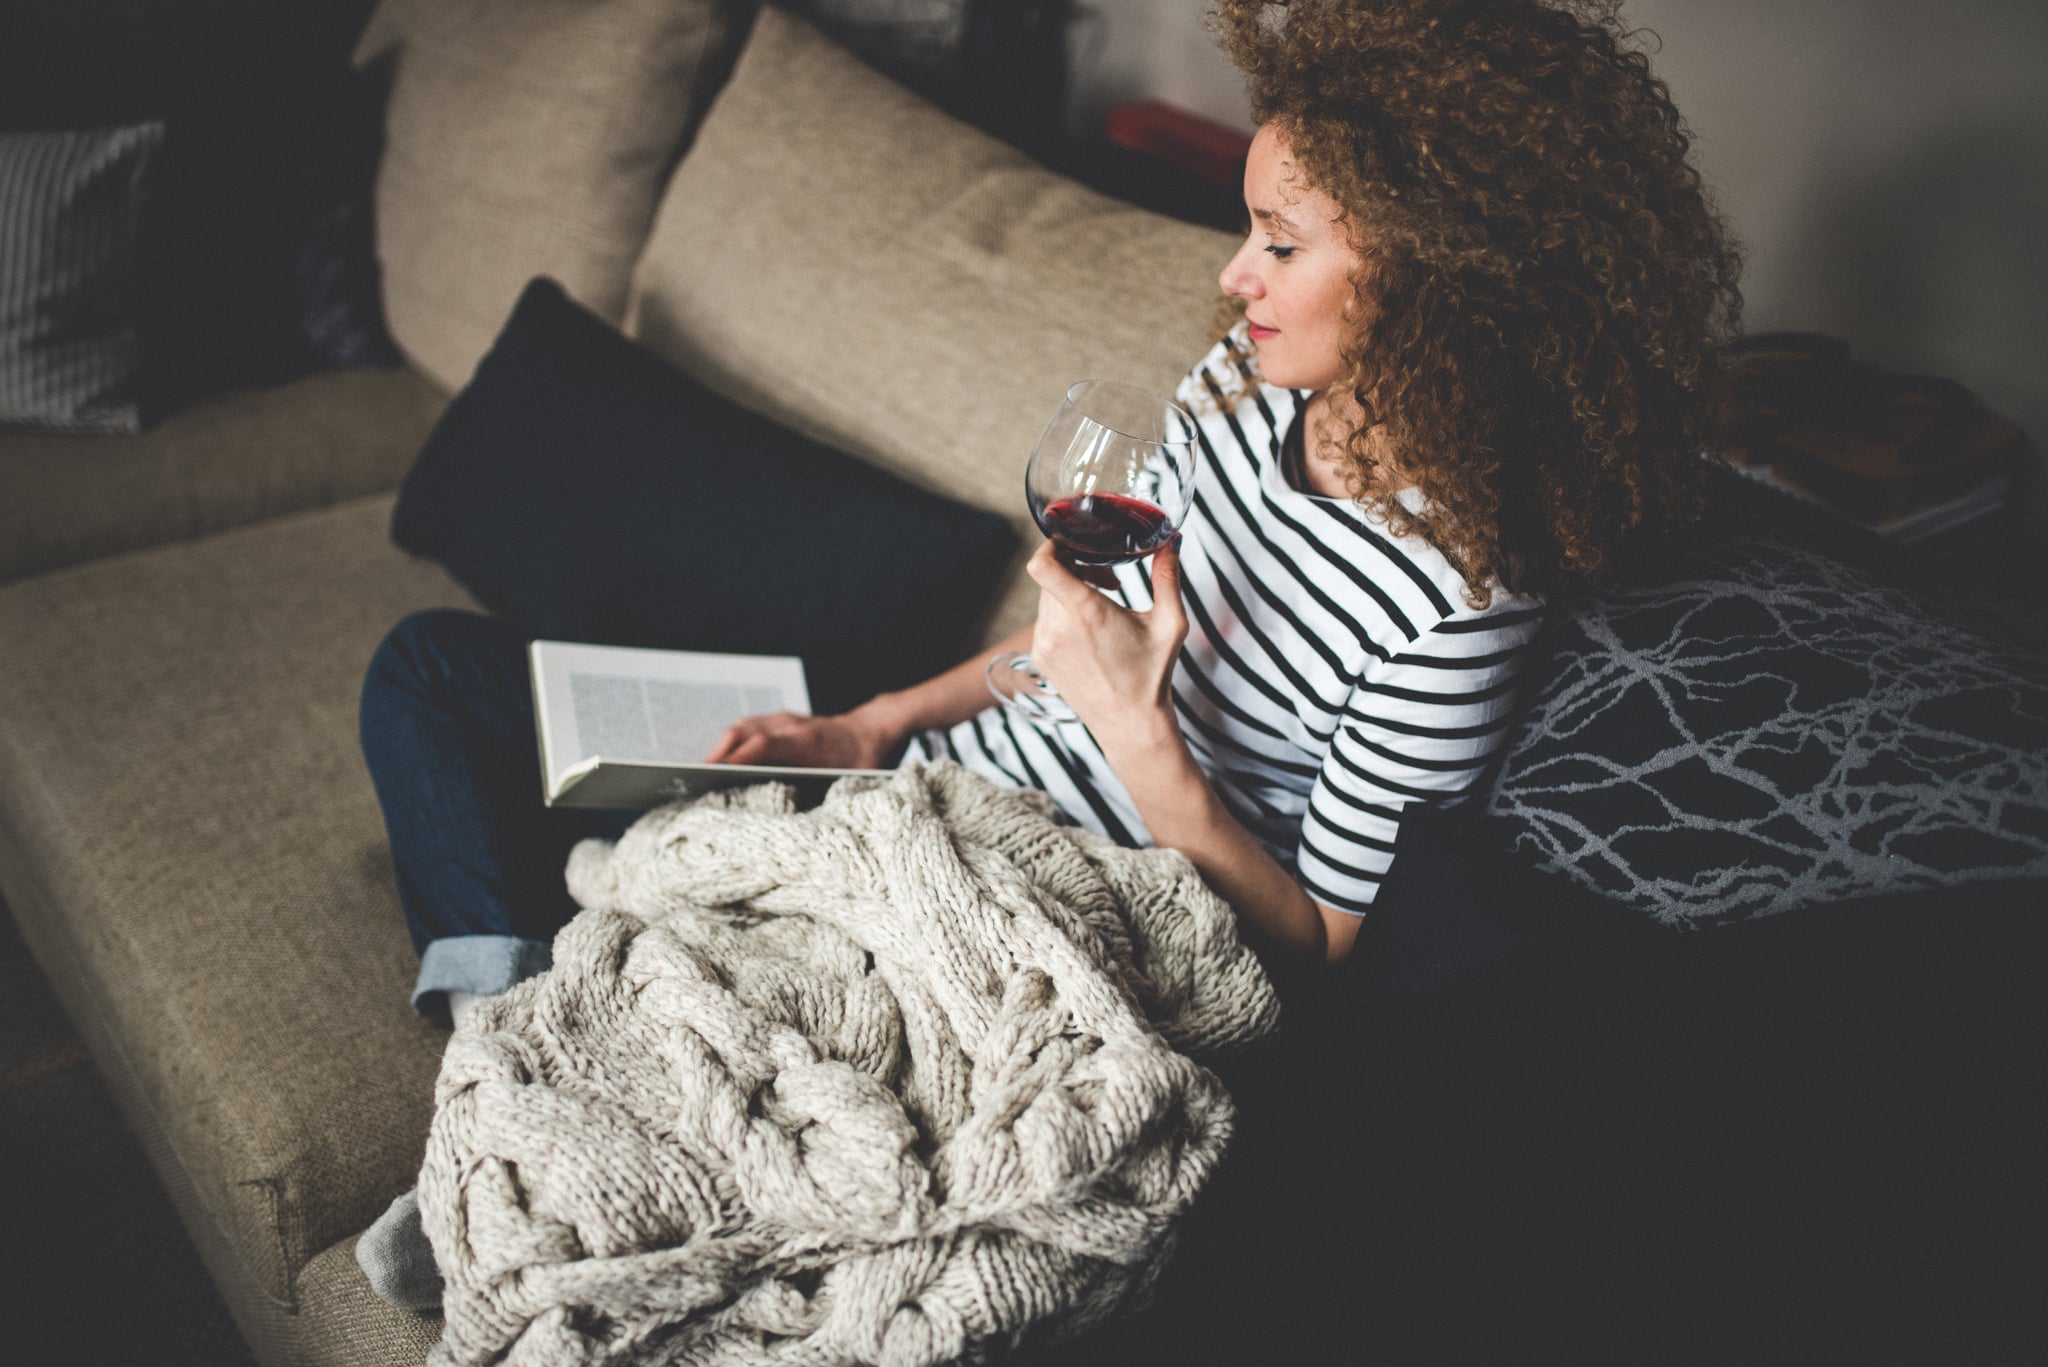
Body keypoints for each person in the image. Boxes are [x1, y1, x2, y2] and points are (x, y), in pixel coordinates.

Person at [355, 0, 1739, 1307]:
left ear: (1439, 281)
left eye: (1278, 243)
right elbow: (1069, 644)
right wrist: (871, 725)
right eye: (1246, 230)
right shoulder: (1238, 391)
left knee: (749, 1017)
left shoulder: (1461, 599)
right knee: (433, 671)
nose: (1231, 274)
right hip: (913, 789)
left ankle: (530, 1135)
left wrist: (1136, 730)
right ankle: (514, 1035)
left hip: (1057, 893)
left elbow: (1319, 946)